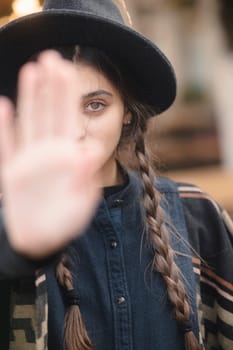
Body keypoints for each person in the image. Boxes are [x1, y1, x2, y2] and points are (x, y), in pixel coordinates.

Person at [0, 1, 232, 350]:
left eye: (95, 105)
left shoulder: (197, 216)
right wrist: (17, 245)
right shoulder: (13, 225)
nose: (76, 130)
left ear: (126, 109)